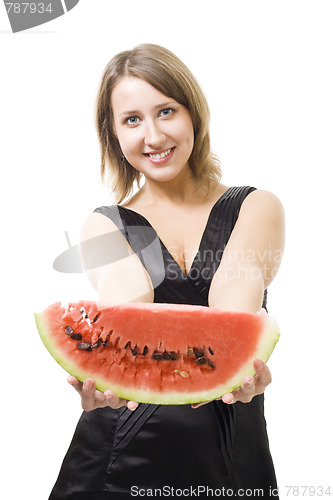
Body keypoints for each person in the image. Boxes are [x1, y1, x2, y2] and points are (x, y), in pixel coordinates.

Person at [49, 43, 285, 499]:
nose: (153, 137)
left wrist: (239, 369)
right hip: (114, 461)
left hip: (228, 460)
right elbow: (124, 301)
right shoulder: (104, 224)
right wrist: (107, 373)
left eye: (166, 111)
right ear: (114, 134)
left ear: (193, 113)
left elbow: (231, 312)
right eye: (132, 120)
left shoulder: (255, 206)